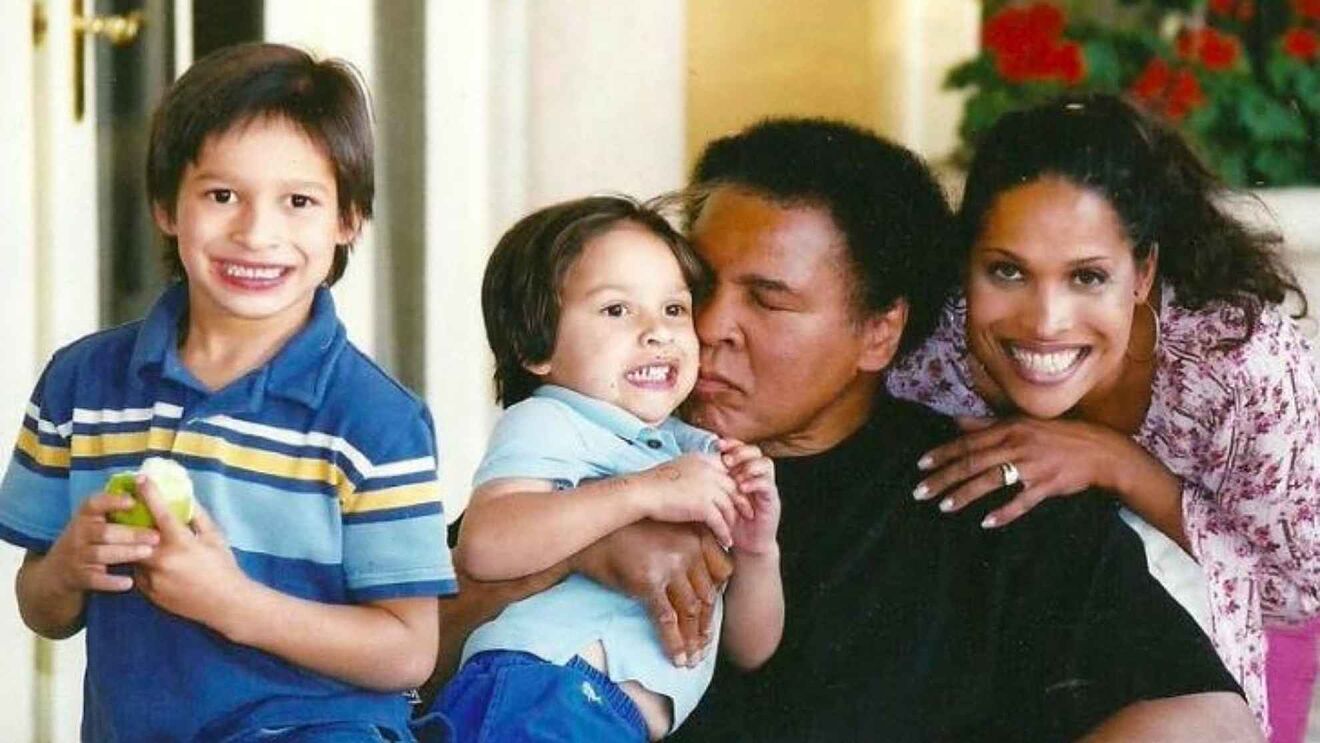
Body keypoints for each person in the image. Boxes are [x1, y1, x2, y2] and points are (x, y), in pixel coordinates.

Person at [429, 117, 1261, 741]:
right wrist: (582, 550)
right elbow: (407, 641)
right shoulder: (614, 443)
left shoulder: (985, 492)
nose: (707, 327)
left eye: (769, 299)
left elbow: (1211, 720)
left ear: (878, 332)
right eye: (697, 287)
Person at [0, 43, 455, 741]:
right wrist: (68, 563)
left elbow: (408, 651)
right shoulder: (82, 385)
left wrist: (232, 603)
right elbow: (42, 607)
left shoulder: (375, 420)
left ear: (347, 221)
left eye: (298, 201)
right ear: (166, 206)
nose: (256, 233)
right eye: (221, 196)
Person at [886, 93, 1320, 734]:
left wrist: (1115, 463)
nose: (1045, 322)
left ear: (1143, 273)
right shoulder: (930, 347)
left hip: (1237, 660)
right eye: (1006, 271)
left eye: (1087, 277)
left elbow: (1298, 589)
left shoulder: (1239, 368)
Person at [427, 195, 783, 741]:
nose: (657, 332)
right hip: (542, 687)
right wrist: (642, 493)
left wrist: (758, 552)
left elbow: (749, 649)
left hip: (607, 717)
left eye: (675, 309)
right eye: (617, 310)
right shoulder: (552, 419)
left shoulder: (699, 452)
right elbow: (486, 543)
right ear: (536, 346)